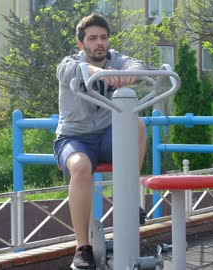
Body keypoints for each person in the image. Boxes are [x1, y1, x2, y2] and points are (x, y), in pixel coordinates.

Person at [54, 13, 147, 270]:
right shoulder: (69, 63)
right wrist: (104, 73)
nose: (99, 43)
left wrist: (130, 74)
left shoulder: (117, 59)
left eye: (103, 38)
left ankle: (128, 197)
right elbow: (79, 72)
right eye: (92, 38)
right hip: (74, 139)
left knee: (137, 124)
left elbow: (136, 65)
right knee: (82, 168)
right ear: (81, 44)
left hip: (108, 136)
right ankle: (81, 248)